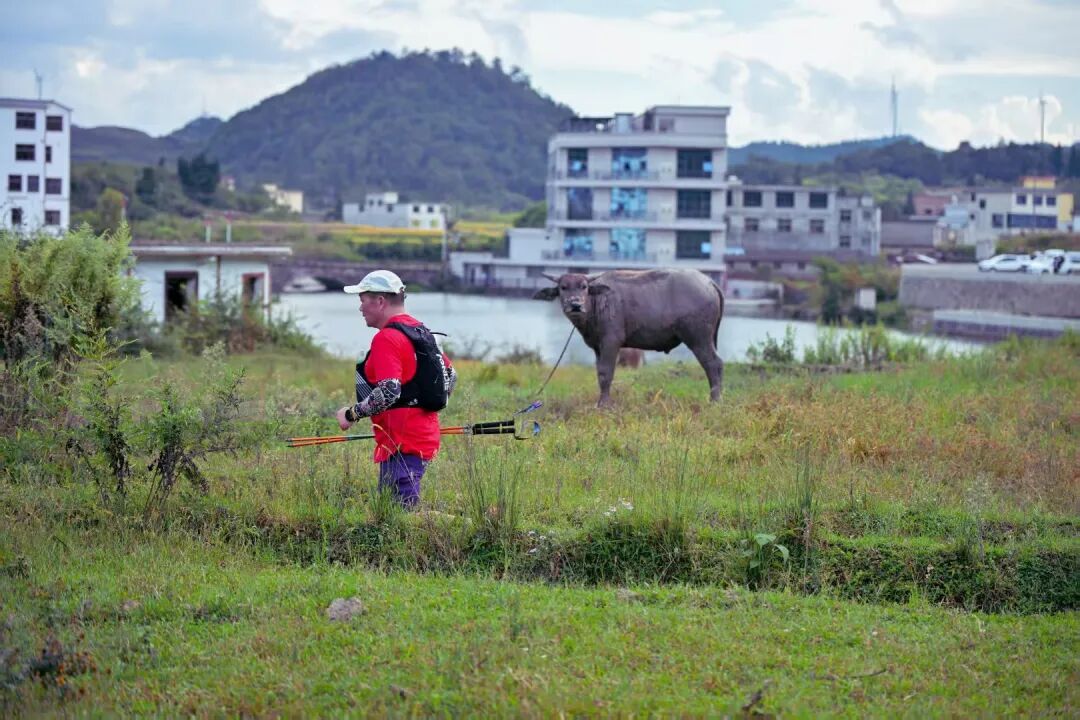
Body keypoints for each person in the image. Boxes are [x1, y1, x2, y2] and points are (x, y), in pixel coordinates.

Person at [335, 270, 455, 508]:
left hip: (402, 444)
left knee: (398, 518)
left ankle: (471, 529)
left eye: (363, 301)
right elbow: (451, 375)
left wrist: (352, 414)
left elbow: (390, 390)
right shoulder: (420, 331)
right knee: (396, 513)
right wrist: (424, 407)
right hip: (421, 438)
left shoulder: (387, 338)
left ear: (380, 301)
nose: (360, 308)